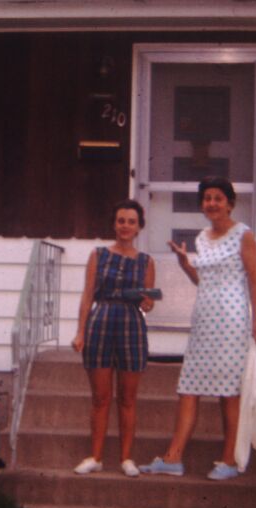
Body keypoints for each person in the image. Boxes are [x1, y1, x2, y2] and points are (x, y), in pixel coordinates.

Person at [139, 175, 256, 481]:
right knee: (188, 388)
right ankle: (173, 458)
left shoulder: (244, 235)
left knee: (229, 392)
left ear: (230, 203)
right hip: (204, 321)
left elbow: (255, 279)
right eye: (207, 198)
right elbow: (202, 280)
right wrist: (185, 265)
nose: (212, 204)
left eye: (218, 198)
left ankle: (229, 460)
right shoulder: (202, 238)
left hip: (233, 320)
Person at [71, 199, 156, 477]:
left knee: (128, 399)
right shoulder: (98, 255)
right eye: (121, 221)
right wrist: (80, 332)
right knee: (100, 397)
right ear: (114, 224)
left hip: (132, 326)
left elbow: (148, 301)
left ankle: (126, 459)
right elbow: (87, 295)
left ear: (139, 227)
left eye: (131, 221)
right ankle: (95, 457)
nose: (125, 226)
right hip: (101, 322)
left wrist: (148, 302)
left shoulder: (147, 261)